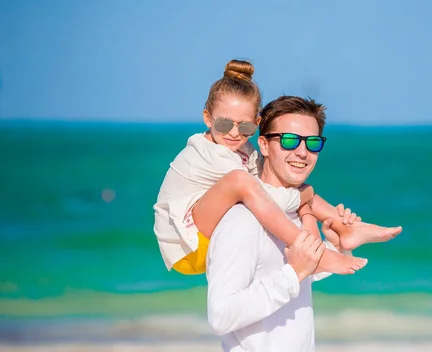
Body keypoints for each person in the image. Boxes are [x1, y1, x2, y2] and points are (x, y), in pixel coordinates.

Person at [153, 60, 401, 277]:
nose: (233, 132)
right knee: (242, 181)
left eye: (245, 127)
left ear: (257, 124)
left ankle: (345, 227)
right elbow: (265, 197)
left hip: (206, 234)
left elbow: (273, 189)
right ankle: (313, 253)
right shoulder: (209, 155)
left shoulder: (241, 149)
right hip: (187, 244)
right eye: (224, 123)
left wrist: (306, 206)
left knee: (285, 181)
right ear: (208, 118)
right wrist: (305, 198)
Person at [207, 96, 393, 351]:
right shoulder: (242, 219)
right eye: (289, 140)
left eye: (312, 142)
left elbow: (297, 277)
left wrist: (335, 246)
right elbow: (220, 316)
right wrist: (294, 274)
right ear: (263, 145)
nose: (302, 152)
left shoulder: (294, 213)